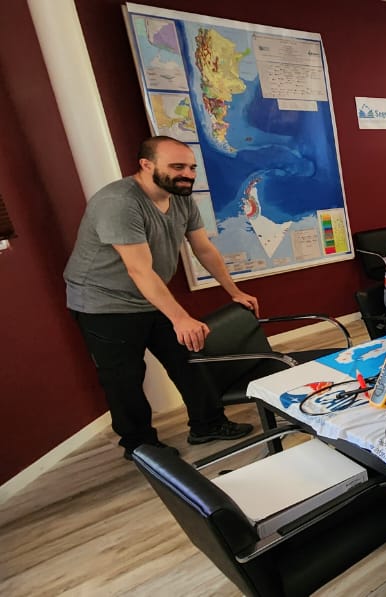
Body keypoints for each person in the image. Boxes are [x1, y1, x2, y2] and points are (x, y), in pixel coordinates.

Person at [64, 136, 255, 461]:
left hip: (150, 296)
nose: (187, 174)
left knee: (189, 358)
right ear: (146, 165)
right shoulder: (119, 202)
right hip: (103, 303)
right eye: (177, 166)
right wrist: (179, 317)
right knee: (124, 378)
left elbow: (203, 248)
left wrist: (233, 290)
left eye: (191, 167)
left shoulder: (180, 196)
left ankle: (207, 424)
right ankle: (140, 446)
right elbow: (139, 270)